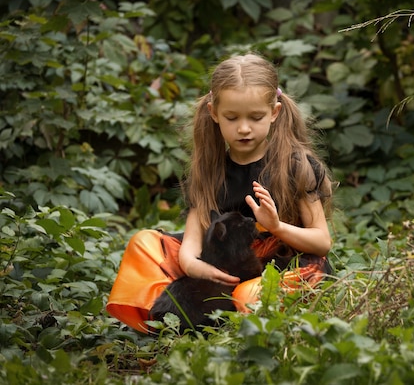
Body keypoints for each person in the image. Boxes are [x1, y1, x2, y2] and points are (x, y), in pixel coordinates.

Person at [106, 53, 334, 333]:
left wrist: (276, 227)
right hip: (221, 266)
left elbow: (322, 242)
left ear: (274, 113)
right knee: (143, 243)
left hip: (280, 268)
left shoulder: (296, 165)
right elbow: (191, 246)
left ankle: (231, 315)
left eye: (256, 117)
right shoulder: (209, 170)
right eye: (232, 117)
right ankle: (171, 319)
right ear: (214, 113)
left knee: (249, 297)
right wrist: (195, 268)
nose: (244, 128)